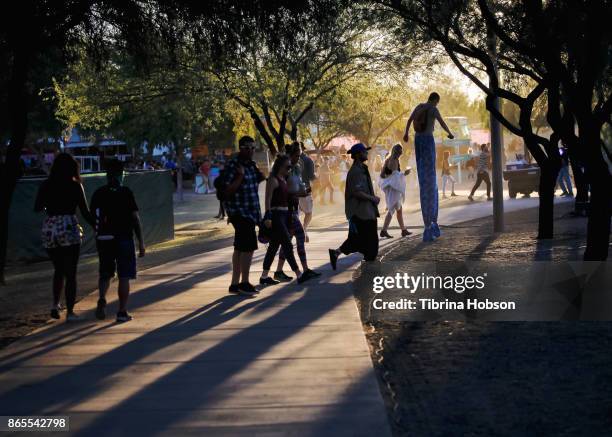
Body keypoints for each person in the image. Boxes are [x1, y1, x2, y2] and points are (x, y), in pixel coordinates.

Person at [34, 153, 94, 321]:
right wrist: (97, 226)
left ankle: (55, 304)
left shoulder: (46, 185)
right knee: (71, 272)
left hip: (50, 228)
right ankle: (70, 312)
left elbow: (37, 207)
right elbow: (84, 211)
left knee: (58, 269)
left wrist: (50, 205)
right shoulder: (75, 186)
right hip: (68, 227)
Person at [91, 159, 145, 323]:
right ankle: (121, 311)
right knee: (124, 276)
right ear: (121, 175)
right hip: (124, 238)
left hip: (104, 238)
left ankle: (101, 298)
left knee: (105, 273)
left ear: (107, 176)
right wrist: (141, 242)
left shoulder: (98, 193)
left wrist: (98, 231)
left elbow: (93, 216)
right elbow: (135, 218)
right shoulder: (126, 192)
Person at [403, 92, 454, 241]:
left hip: (418, 141)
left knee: (423, 179)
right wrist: (450, 133)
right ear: (436, 100)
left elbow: (409, 120)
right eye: (437, 102)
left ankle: (428, 223)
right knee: (431, 181)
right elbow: (442, 123)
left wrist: (406, 134)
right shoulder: (433, 109)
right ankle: (431, 222)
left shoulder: (419, 106)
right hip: (427, 140)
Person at [222, 136, 265, 296]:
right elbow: (226, 191)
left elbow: (259, 182)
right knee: (248, 247)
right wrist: (239, 177)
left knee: (240, 248)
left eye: (253, 147)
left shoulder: (251, 165)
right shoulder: (233, 165)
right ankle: (244, 282)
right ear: (240, 148)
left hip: (251, 213)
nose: (251, 150)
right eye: (247, 147)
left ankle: (235, 284)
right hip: (239, 212)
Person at [274, 143, 321, 282]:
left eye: (300, 155)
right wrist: (297, 193)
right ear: (290, 155)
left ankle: (278, 271)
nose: (299, 157)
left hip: (293, 207)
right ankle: (304, 270)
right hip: (287, 210)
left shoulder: (297, 168)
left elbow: (297, 187)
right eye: (296, 155)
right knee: (299, 236)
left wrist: (304, 191)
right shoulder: (285, 170)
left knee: (287, 240)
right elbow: (283, 190)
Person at [329, 143, 380, 270]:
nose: (366, 153)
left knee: (359, 240)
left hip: (367, 210)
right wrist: (372, 198)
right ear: (358, 155)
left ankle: (336, 253)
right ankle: (369, 272)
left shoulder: (362, 168)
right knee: (368, 243)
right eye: (364, 152)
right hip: (361, 212)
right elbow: (357, 192)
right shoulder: (356, 172)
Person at [259, 154, 307, 285]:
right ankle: (299, 274)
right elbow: (267, 199)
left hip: (285, 216)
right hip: (276, 216)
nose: (289, 169)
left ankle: (264, 277)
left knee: (273, 246)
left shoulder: (283, 179)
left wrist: (300, 193)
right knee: (287, 244)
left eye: (290, 167)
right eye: (287, 166)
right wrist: (268, 216)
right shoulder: (273, 179)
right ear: (280, 166)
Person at [379, 144, 412, 238]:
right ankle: (384, 230)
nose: (401, 152)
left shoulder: (388, 160)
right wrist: (404, 173)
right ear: (397, 151)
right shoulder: (394, 161)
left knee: (398, 210)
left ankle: (403, 230)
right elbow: (395, 177)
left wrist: (400, 174)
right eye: (400, 150)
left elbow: (383, 175)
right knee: (392, 210)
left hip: (392, 188)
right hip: (394, 189)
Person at [298, 143, 316, 239]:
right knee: (308, 212)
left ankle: (301, 231)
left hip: (292, 190)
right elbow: (311, 177)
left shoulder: (287, 160)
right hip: (305, 189)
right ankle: (304, 229)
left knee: (295, 214)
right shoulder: (308, 160)